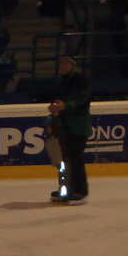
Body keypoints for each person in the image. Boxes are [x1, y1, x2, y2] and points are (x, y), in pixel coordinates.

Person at [48, 55, 91, 202]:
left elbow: (83, 99)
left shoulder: (80, 80)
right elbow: (59, 99)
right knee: (63, 160)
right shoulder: (61, 81)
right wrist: (54, 106)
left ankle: (79, 190)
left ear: (72, 65)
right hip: (64, 126)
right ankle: (65, 188)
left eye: (65, 63)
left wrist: (65, 106)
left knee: (75, 159)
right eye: (60, 63)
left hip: (77, 127)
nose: (62, 65)